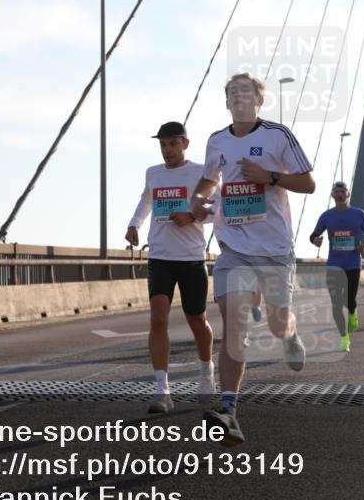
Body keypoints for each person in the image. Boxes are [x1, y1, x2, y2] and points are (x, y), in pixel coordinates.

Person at [189, 72, 315, 447]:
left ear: (259, 101)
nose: (239, 97)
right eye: (232, 93)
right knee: (236, 326)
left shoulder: (278, 136)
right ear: (227, 103)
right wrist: (198, 201)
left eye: (246, 92)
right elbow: (210, 181)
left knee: (277, 322)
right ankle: (229, 412)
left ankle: (289, 335)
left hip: (275, 251)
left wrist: (270, 177)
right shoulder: (217, 141)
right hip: (234, 250)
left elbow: (308, 183)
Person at [126, 122, 216, 413]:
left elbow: (219, 209)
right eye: (163, 145)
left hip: (191, 258)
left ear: (185, 144)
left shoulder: (201, 173)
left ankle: (206, 371)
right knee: (158, 319)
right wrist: (134, 224)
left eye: (173, 144)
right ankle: (162, 391)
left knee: (197, 322)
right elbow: (146, 200)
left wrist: (192, 215)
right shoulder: (153, 173)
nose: (167, 150)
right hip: (161, 257)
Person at [310, 181, 364, 353]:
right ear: (332, 195)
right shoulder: (326, 216)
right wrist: (316, 240)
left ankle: (353, 312)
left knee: (349, 300)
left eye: (342, 191)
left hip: (353, 264)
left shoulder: (359, 214)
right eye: (336, 192)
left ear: (348, 194)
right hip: (333, 266)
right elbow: (314, 235)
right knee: (336, 303)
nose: (339, 194)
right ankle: (344, 337)